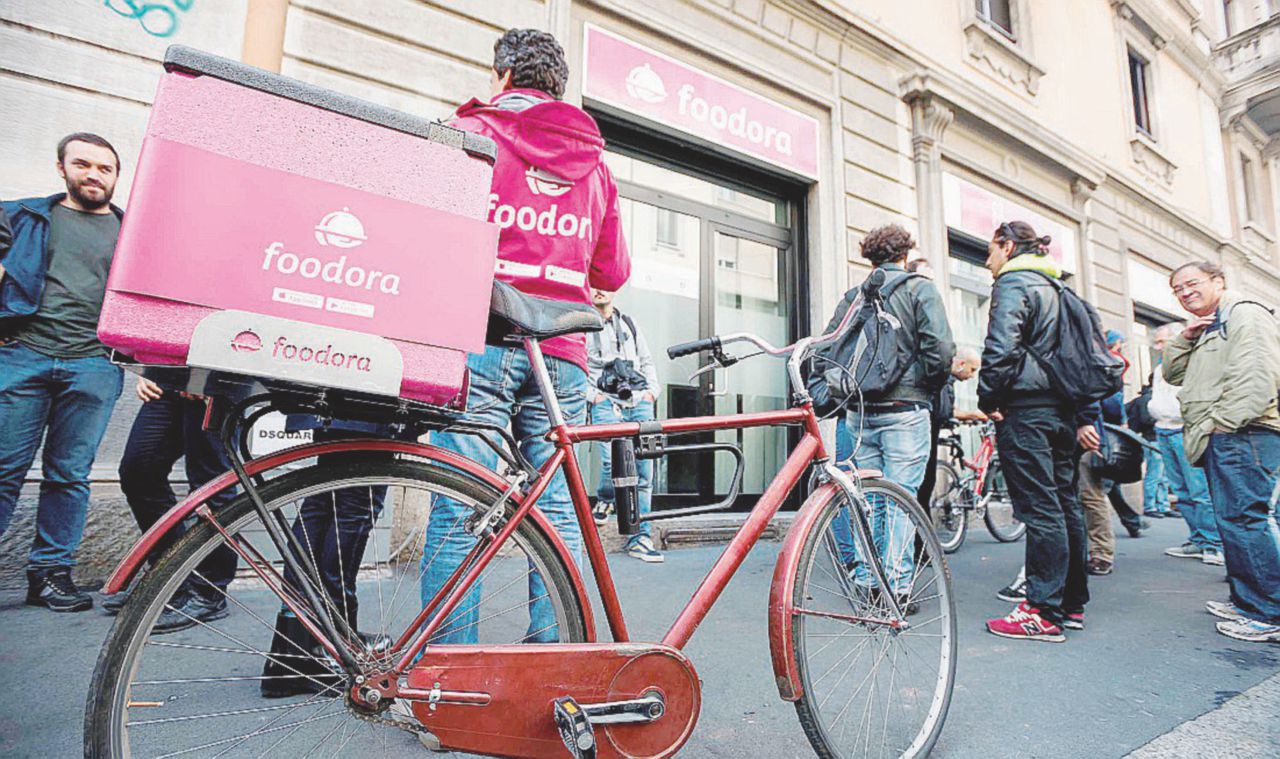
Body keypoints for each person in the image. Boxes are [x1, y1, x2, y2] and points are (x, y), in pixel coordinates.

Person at [420, 28, 629, 643]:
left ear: (503, 77)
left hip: (480, 338)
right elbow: (612, 272)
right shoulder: (595, 165)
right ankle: (552, 652)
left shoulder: (472, 138)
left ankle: (448, 677)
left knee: (458, 501)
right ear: (557, 88)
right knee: (558, 507)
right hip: (562, 354)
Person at [0, 133, 126, 612]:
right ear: (62, 168)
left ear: (116, 176)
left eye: (105, 168)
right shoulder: (23, 216)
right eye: (83, 164)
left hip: (93, 364)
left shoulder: (130, 231)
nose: (94, 175)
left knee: (69, 474)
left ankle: (51, 574)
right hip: (23, 356)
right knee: (4, 469)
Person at [979, 221, 1089, 642]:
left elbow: (1001, 346)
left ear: (1007, 246)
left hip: (1027, 409)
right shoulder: (1058, 286)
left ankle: (1042, 611)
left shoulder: (1014, 283)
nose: (988, 261)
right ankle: (1068, 603)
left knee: (1041, 509)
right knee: (1064, 505)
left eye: (991, 250)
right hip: (1061, 410)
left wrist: (989, 398)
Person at [837, 224, 954, 606]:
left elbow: (834, 347)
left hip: (860, 411)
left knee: (869, 501)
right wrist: (927, 387)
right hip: (906, 409)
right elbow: (940, 349)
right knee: (902, 501)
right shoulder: (920, 289)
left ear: (869, 257)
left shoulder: (855, 296)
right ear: (905, 254)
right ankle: (897, 589)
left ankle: (869, 581)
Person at [1164, 261, 1280, 643]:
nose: (1184, 293)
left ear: (1218, 281)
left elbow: (1257, 374)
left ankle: (1269, 612)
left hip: (1242, 433)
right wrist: (1186, 337)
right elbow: (1173, 374)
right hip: (1226, 435)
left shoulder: (1244, 313)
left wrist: (1224, 424)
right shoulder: (1212, 325)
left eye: (1192, 284)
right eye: (1177, 289)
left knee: (1246, 521)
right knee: (1233, 521)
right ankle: (1248, 602)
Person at [113, 377, 238, 632]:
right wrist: (146, 370)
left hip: (217, 377)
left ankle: (209, 592)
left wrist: (205, 373)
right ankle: (173, 579)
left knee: (210, 483)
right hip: (170, 375)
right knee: (139, 470)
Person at [586, 287, 662, 562]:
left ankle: (640, 537)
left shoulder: (628, 323)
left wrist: (651, 391)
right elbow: (577, 365)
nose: (599, 289)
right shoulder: (581, 322)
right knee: (611, 464)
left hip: (639, 400)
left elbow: (646, 361)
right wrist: (593, 397)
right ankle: (606, 497)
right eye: (593, 283)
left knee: (644, 472)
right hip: (605, 401)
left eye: (604, 284)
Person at [1149, 323, 1223, 566]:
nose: (1157, 346)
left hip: (1184, 429)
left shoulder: (1194, 360)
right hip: (1164, 428)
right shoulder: (1161, 368)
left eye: (1162, 342)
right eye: (1157, 342)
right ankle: (1199, 539)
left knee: (1200, 490)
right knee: (1182, 491)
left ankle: (1213, 543)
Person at [917, 347, 985, 506]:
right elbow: (945, 411)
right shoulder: (944, 379)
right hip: (926, 433)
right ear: (961, 363)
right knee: (925, 483)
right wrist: (973, 414)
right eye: (972, 369)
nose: (972, 375)